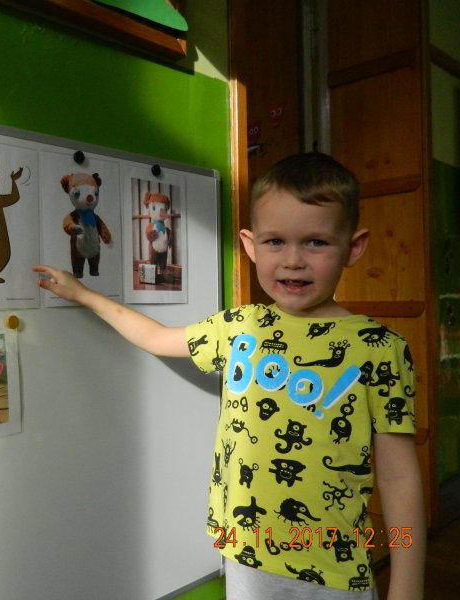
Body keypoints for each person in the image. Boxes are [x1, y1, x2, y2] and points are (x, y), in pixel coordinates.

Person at [33, 152, 425, 600]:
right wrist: (84, 295)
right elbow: (158, 338)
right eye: (275, 241)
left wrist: (407, 586)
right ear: (250, 246)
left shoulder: (379, 348)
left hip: (332, 570)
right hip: (245, 555)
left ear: (353, 248)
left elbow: (399, 478)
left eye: (316, 242)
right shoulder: (238, 327)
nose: (293, 260)